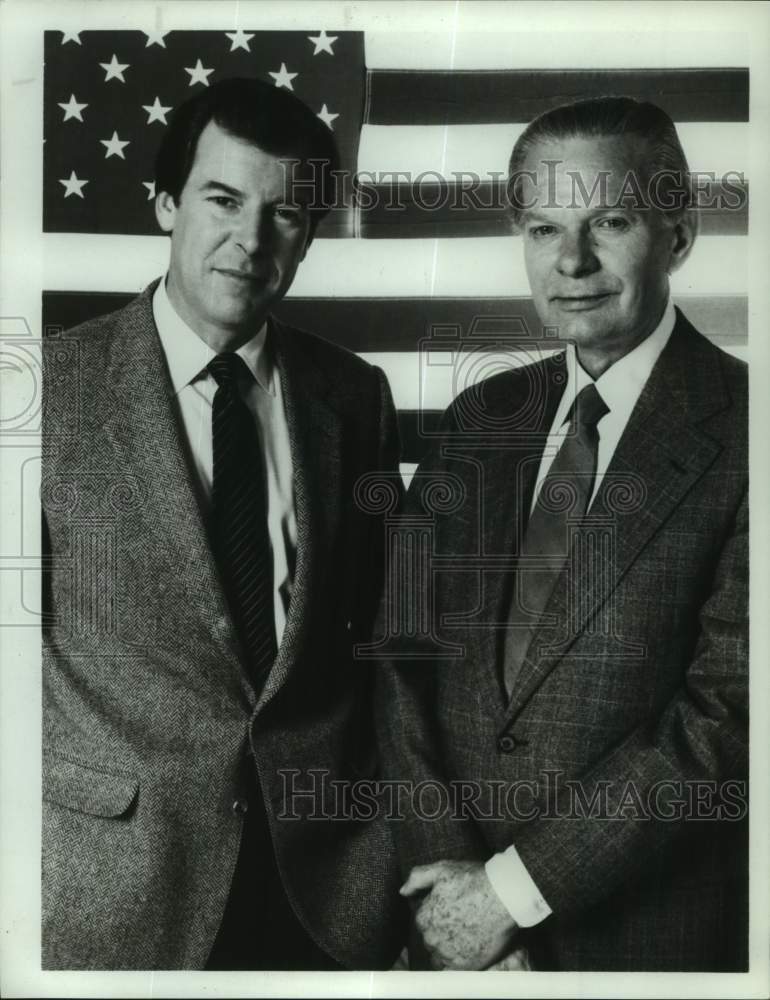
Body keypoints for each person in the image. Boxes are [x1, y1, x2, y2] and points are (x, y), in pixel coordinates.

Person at [375, 96, 748, 972]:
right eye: (544, 229)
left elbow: (730, 720)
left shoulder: (749, 432)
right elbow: (398, 653)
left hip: (645, 941)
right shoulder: (481, 419)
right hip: (447, 929)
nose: (572, 261)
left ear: (680, 235)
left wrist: (509, 894)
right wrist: (453, 892)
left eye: (609, 221)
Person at [41, 77, 404, 970]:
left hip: (321, 886)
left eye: (285, 215)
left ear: (311, 237)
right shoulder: (41, 388)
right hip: (112, 885)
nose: (251, 239)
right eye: (223, 200)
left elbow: (386, 637)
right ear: (167, 204)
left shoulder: (354, 396)